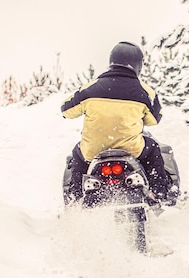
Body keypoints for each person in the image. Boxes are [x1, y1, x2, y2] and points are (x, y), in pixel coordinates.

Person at [61, 41, 173, 205]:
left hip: (93, 151)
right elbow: (155, 119)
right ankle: (158, 193)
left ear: (112, 61)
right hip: (131, 150)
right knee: (153, 148)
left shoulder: (90, 88)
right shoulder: (145, 91)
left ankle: (75, 199)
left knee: (77, 155)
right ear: (137, 65)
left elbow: (66, 110)